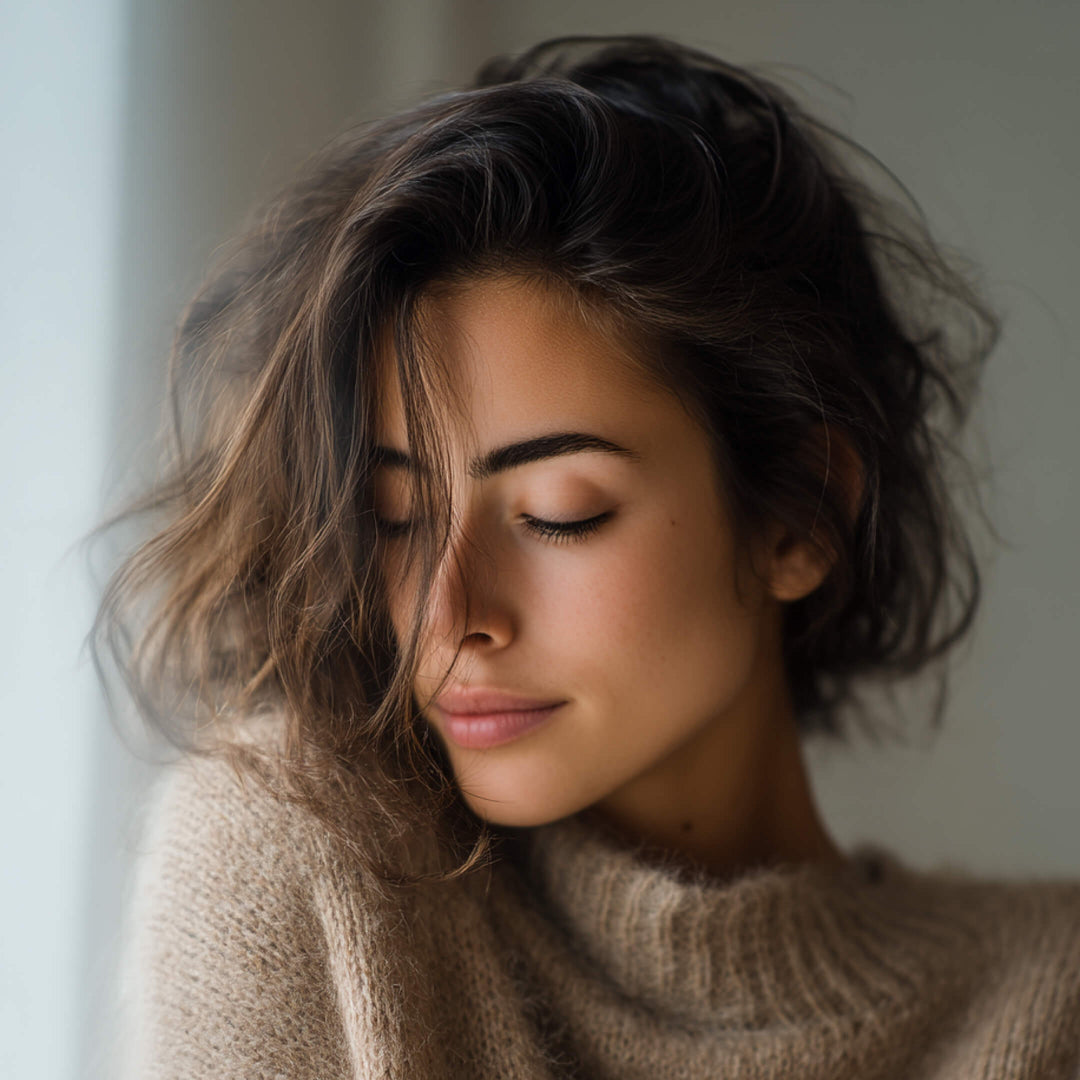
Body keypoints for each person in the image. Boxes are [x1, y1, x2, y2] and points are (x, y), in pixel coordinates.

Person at [96, 33, 1080, 1079]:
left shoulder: (1050, 1003)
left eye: (559, 513)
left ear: (799, 514)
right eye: (392, 517)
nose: (449, 613)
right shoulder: (299, 859)